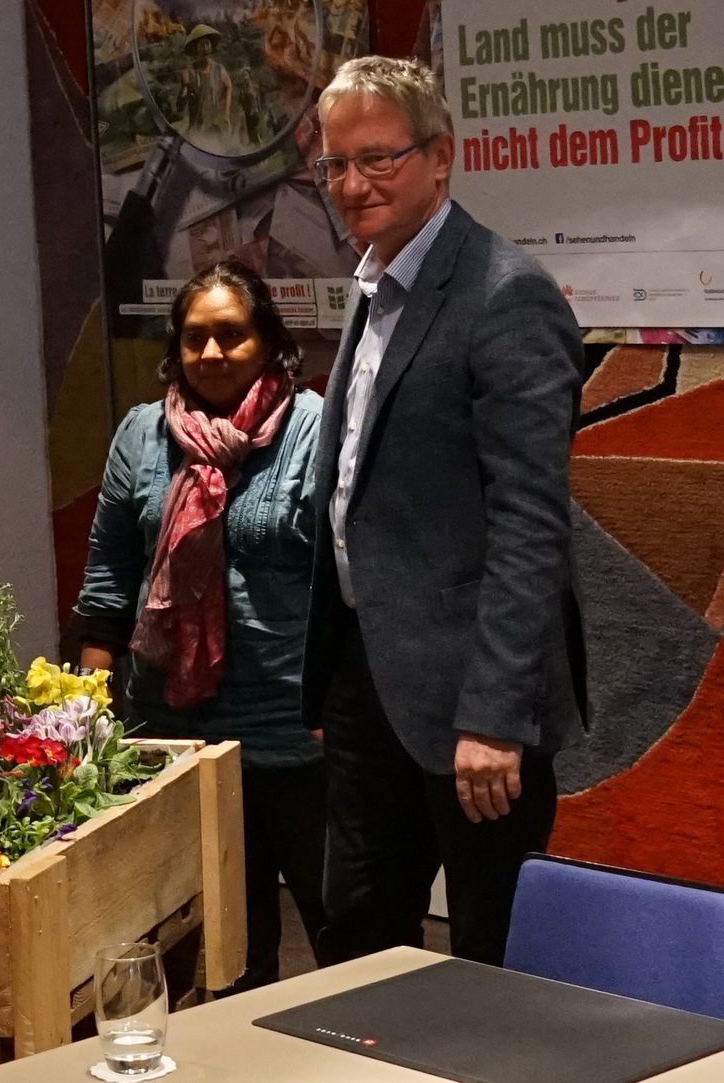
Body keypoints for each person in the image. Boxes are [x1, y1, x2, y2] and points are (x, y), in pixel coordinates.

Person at [302, 56, 586, 968]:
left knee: (487, 964)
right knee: (359, 946)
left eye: (378, 159)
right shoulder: (373, 281)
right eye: (337, 165)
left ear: (441, 158)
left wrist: (496, 715)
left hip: (474, 709)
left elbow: (531, 524)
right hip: (365, 684)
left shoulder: (505, 294)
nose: (353, 184)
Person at [75, 261, 325, 992]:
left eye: (231, 335)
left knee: (346, 943)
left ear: (270, 342)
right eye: (195, 339)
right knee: (219, 958)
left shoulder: (317, 429)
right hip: (176, 734)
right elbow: (110, 572)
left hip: (294, 735)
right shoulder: (142, 435)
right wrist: (87, 705)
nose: (211, 354)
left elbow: (350, 583)